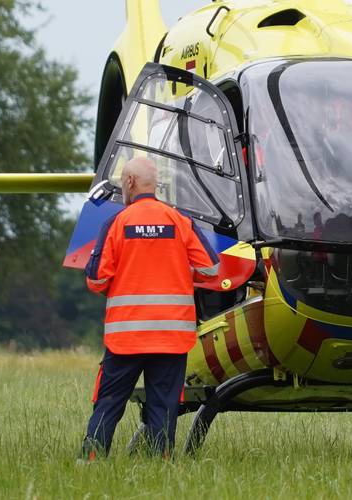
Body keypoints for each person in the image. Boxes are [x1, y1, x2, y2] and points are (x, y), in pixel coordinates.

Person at [80, 156, 220, 460]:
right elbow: (212, 269)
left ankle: (91, 460)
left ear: (130, 182)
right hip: (171, 336)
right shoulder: (179, 221)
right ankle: (162, 463)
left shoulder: (116, 223)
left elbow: (96, 279)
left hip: (126, 337)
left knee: (109, 402)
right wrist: (180, 272)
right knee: (164, 406)